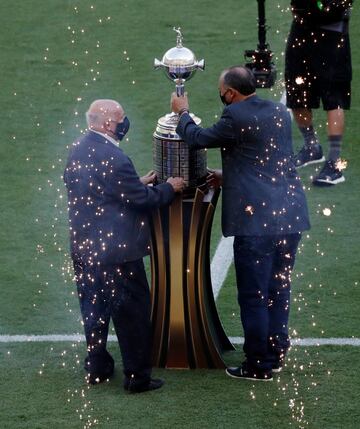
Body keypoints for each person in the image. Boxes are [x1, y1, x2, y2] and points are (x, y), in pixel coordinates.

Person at [171, 66, 310, 381]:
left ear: (229, 93)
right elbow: (263, 157)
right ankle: (275, 353)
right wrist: (228, 175)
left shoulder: (235, 117)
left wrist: (183, 113)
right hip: (289, 216)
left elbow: (197, 138)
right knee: (279, 289)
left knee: (254, 294)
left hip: (257, 222)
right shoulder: (278, 111)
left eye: (222, 91)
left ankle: (258, 364)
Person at [63, 99, 184, 393]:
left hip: (84, 248)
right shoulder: (115, 159)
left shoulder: (77, 149)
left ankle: (97, 366)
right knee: (132, 316)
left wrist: (136, 182)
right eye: (120, 119)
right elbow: (143, 200)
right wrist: (170, 188)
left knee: (94, 310)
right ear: (107, 124)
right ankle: (137, 377)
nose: (123, 123)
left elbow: (97, 192)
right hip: (117, 254)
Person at [285, 0, 353, 186]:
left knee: (334, 97)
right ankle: (311, 147)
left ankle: (334, 163)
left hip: (333, 30)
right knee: (296, 90)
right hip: (301, 26)